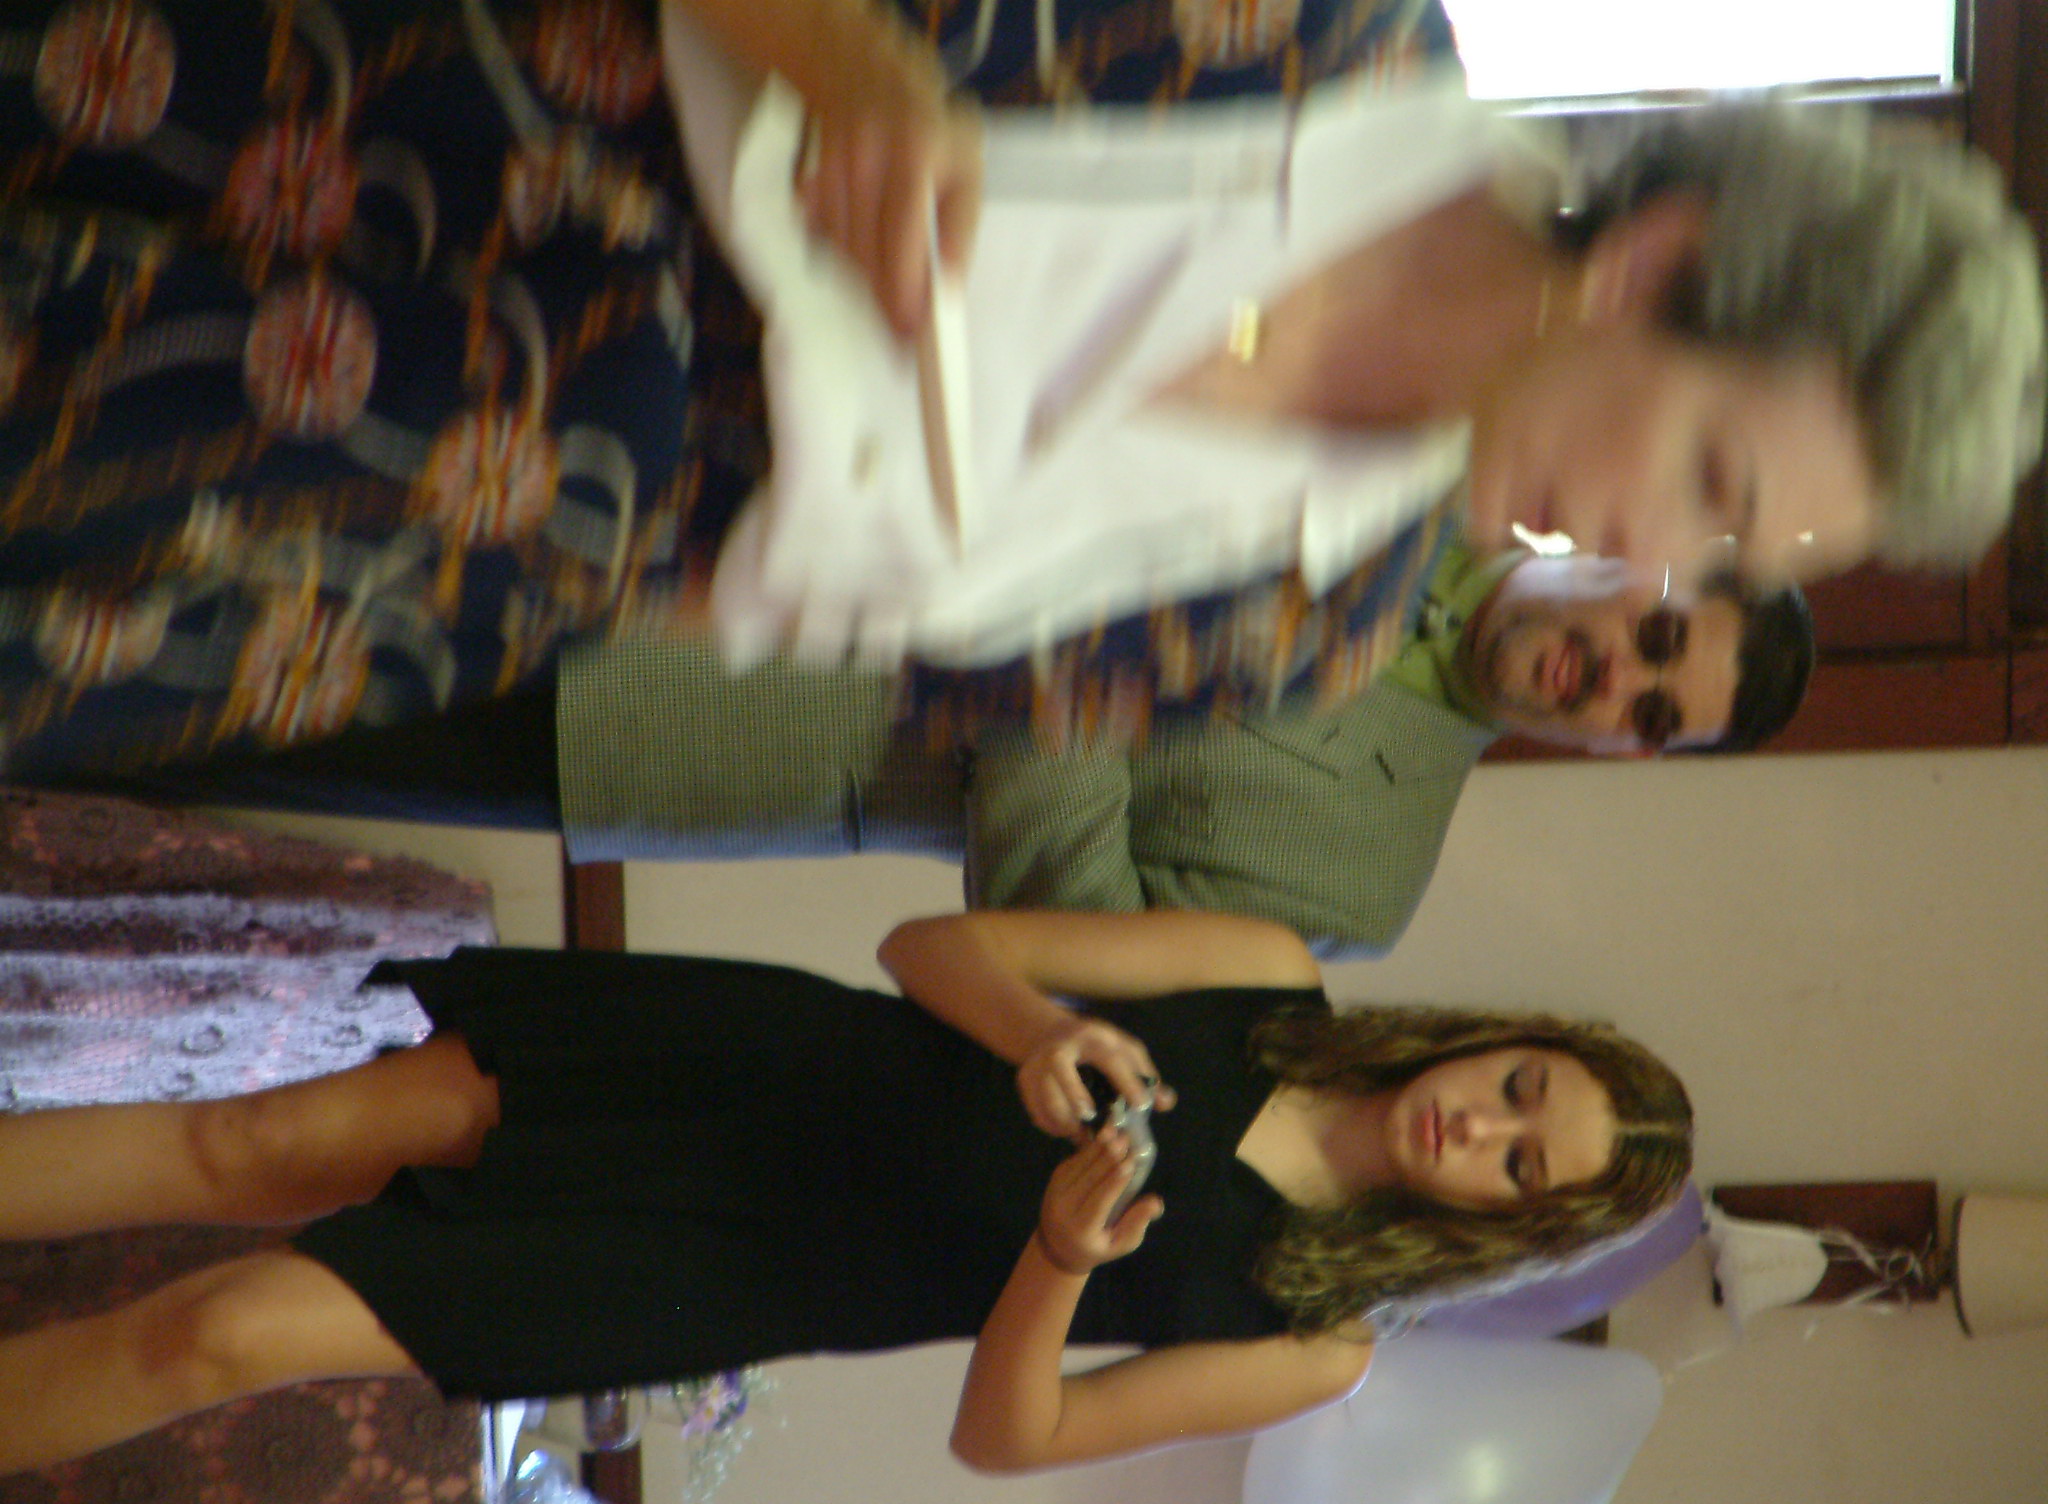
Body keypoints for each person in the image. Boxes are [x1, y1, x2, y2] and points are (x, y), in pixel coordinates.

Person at [0, 0, 2035, 779]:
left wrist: (546, 565)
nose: (1659, 561)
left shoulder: (1309, 624)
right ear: (1659, 265)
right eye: (1712, 478)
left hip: (390, 547)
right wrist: (851, 58)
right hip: (431, 138)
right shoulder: (1312, 28)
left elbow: (809, 639)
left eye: (1726, 561)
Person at [0, 907, 1693, 1476]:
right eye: (1519, 1092)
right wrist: (1033, 1032)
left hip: (740, 1270)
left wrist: (1056, 1259)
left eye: (1522, 1169)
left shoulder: (1316, 1339)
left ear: (1508, 1229)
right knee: (246, 1146)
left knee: (223, 1335)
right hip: (749, 1064)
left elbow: (1007, 1439)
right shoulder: (1266, 975)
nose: (1482, 1132)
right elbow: (926, 946)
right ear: (1504, 1042)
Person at [73, 546, 1815, 955]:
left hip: (697, 733)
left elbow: (1067, 934)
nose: (1614, 677)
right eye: (1658, 632)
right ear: (1636, 550)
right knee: (185, 515)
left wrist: (1083, 662)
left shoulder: (1362, 885)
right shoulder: (1400, 434)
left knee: (152, 715)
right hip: (693, 494)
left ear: (1628, 754)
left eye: (1652, 713)